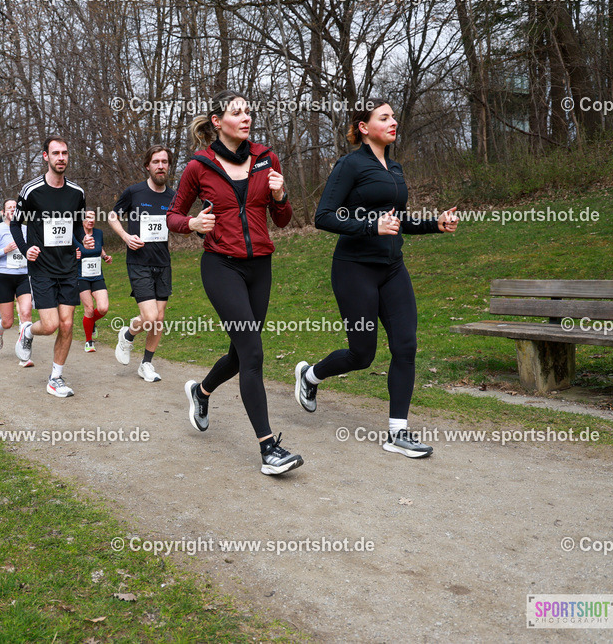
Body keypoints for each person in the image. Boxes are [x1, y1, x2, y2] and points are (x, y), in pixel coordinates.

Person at [294, 98, 459, 458]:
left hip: (392, 268)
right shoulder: (350, 165)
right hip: (355, 269)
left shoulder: (395, 168)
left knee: (406, 346)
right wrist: (371, 225)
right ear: (364, 127)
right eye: (384, 117)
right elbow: (323, 216)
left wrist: (435, 224)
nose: (393, 121)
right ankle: (310, 376)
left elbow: (398, 221)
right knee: (362, 354)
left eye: (394, 116)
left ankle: (397, 433)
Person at [167, 90, 303, 476]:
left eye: (248, 112)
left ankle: (201, 391)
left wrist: (281, 195)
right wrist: (193, 224)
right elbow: (172, 216)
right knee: (253, 353)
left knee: (241, 353)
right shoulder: (199, 166)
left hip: (260, 267)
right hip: (221, 266)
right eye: (237, 112)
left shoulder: (266, 158)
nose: (246, 118)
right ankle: (269, 449)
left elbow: (283, 220)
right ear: (217, 121)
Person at [11, 136, 92, 396]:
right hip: (42, 268)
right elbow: (15, 224)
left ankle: (55, 378)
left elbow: (76, 225)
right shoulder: (32, 190)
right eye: (56, 153)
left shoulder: (77, 193)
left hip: (68, 267)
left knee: (67, 324)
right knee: (50, 325)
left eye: (64, 153)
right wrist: (26, 249)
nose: (61, 158)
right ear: (46, 156)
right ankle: (27, 330)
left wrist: (82, 239)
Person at [108, 145, 176, 382]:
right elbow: (112, 216)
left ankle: (146, 363)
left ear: (169, 166)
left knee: (159, 318)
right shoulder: (134, 192)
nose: (160, 166)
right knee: (150, 316)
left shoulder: (173, 196)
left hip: (163, 263)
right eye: (156, 162)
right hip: (139, 262)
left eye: (164, 162)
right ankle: (127, 334)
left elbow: (179, 223)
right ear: (148, 166)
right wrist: (125, 237)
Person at [0, 199, 34, 366]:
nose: (12, 209)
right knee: (8, 322)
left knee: (26, 314)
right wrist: (5, 250)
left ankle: (24, 355)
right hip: (3, 277)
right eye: (9, 208)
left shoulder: (26, 229)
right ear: (3, 212)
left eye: (15, 207)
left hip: (23, 276)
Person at [74, 210, 112, 354]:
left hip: (97, 276)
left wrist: (105, 256)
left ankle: (91, 321)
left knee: (103, 308)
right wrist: (73, 255)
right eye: (88, 217)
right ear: (82, 220)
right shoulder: (76, 234)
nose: (91, 220)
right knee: (89, 309)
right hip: (81, 277)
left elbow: (100, 248)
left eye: (93, 217)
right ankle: (89, 341)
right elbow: (71, 250)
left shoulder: (98, 233)